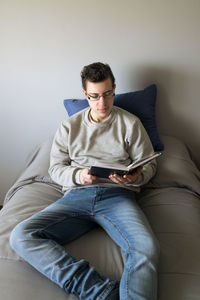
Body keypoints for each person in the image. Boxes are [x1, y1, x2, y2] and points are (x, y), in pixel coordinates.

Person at [10, 62, 160, 300]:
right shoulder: (69, 127)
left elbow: (150, 163)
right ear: (85, 95)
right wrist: (78, 176)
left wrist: (136, 176)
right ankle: (99, 290)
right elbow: (56, 168)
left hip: (118, 196)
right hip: (76, 197)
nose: (102, 103)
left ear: (114, 90)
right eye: (95, 96)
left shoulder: (130, 123)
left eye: (108, 94)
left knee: (146, 248)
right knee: (21, 236)